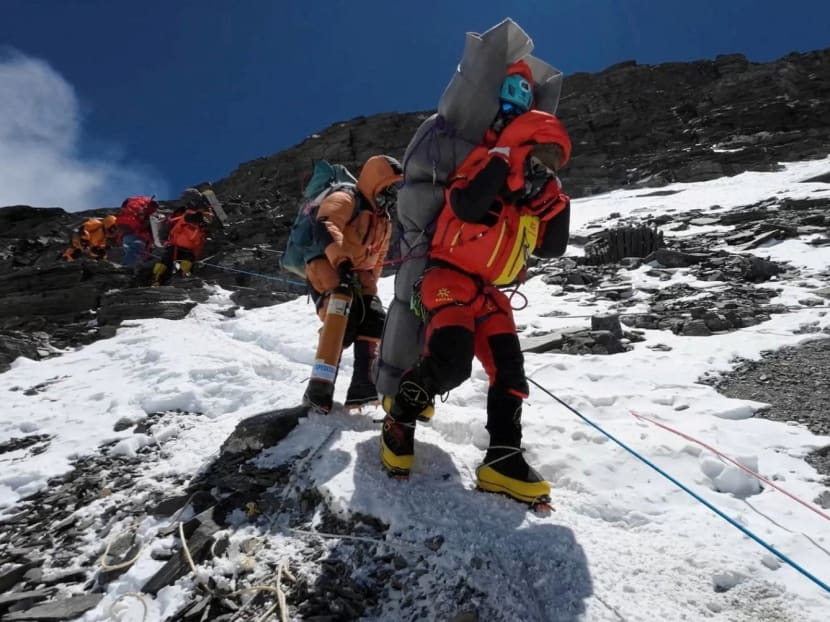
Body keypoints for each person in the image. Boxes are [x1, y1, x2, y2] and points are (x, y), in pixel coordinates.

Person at [379, 68, 573, 506]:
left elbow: (553, 248)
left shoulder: (535, 196)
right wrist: (505, 158)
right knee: (451, 363)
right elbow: (465, 206)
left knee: (510, 373)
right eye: (536, 157)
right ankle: (399, 419)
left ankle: (503, 458)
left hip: (489, 292)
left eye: (548, 162)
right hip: (445, 277)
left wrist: (556, 200)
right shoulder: (483, 165)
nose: (540, 168)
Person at [302, 155, 403, 412]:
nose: (391, 195)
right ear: (374, 182)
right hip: (326, 263)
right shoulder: (346, 198)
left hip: (357, 274)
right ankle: (318, 389)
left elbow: (376, 260)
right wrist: (342, 262)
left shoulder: (384, 221)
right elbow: (326, 225)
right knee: (341, 312)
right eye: (388, 187)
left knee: (374, 317)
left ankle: (364, 387)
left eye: (395, 190)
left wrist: (370, 290)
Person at [151, 188, 214, 286]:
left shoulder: (190, 212)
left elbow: (175, 226)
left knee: (166, 262)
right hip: (188, 245)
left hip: (178, 244)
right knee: (181, 262)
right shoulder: (193, 212)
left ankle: (158, 280)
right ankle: (178, 281)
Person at [116, 196, 159, 266]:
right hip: (136, 235)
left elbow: (124, 205)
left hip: (124, 233)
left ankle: (130, 267)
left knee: (131, 251)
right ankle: (126, 268)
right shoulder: (148, 211)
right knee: (136, 250)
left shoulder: (134, 201)